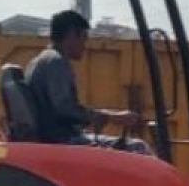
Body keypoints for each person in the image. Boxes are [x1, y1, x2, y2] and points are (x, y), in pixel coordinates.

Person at [24, 10, 150, 153]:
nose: (85, 45)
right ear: (71, 34)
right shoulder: (55, 62)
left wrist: (104, 115)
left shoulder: (40, 60)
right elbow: (65, 110)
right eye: (83, 37)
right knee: (138, 147)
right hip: (62, 141)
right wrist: (111, 117)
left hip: (54, 137)